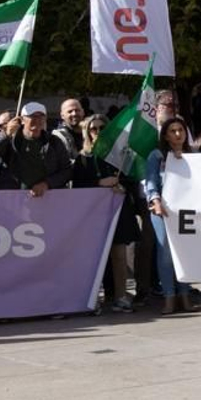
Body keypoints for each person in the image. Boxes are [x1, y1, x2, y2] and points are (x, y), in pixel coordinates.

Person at [71, 115, 140, 313]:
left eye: (103, 128)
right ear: (87, 132)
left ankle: (121, 297)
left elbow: (132, 179)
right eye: (94, 129)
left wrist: (121, 186)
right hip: (93, 215)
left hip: (119, 211)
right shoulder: (83, 159)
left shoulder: (121, 155)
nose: (98, 132)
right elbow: (77, 187)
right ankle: (94, 298)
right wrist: (99, 183)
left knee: (119, 255)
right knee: (95, 257)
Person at [144, 118, 196, 315]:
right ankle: (169, 297)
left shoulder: (193, 156)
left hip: (187, 212)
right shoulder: (157, 156)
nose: (177, 134)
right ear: (165, 135)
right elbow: (151, 181)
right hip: (163, 210)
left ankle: (185, 295)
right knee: (165, 254)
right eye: (172, 131)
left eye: (180, 130)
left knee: (184, 253)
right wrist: (155, 201)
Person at [0, 101, 73, 194]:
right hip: (14, 197)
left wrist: (47, 184)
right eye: (32, 116)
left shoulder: (54, 141)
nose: (37, 120)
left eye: (41, 116)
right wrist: (5, 135)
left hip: (46, 198)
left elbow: (66, 170)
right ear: (22, 120)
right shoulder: (10, 140)